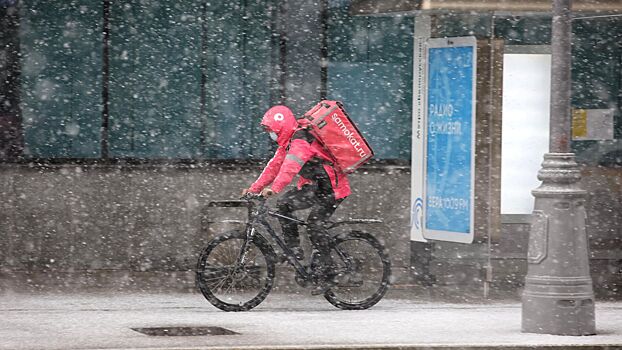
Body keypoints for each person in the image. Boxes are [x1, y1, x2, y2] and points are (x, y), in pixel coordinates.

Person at [242, 105, 351, 293]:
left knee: (315, 225)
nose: (271, 135)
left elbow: (289, 168)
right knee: (284, 204)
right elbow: (273, 167)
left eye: (272, 131)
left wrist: (273, 189)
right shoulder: (288, 143)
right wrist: (254, 188)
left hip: (331, 188)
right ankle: (294, 250)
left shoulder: (300, 141)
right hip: (315, 188)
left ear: (282, 128)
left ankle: (330, 272)